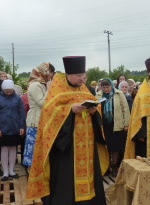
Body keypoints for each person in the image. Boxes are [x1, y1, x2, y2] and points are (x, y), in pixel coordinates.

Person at [26, 56, 108, 204]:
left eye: (83, 75)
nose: (82, 79)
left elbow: (96, 108)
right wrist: (70, 110)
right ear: (68, 74)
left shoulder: (84, 88)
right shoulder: (57, 89)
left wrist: (95, 111)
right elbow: (49, 112)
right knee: (66, 181)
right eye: (78, 76)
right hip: (67, 147)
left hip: (87, 145)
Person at [96, 78, 130, 177]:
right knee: (106, 146)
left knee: (115, 147)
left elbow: (125, 109)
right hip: (104, 125)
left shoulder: (119, 94)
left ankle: (114, 166)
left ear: (111, 86)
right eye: (104, 87)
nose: (106, 89)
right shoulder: (98, 95)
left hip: (116, 124)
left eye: (107, 87)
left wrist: (126, 124)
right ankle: (106, 167)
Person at [22, 62, 54, 169]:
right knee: (34, 152)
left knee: (41, 152)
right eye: (50, 72)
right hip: (35, 122)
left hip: (43, 121)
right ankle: (32, 175)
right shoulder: (35, 85)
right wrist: (50, 90)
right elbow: (42, 103)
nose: (51, 75)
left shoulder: (43, 83)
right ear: (43, 72)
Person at [0, 80, 25, 181]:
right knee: (4, 149)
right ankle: (5, 171)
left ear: (12, 89)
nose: (8, 92)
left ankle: (11, 170)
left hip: (15, 127)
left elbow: (21, 113)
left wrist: (21, 127)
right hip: (3, 129)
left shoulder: (17, 99)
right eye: (6, 90)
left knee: (13, 149)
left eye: (10, 90)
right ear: (3, 89)